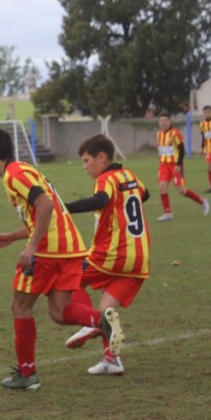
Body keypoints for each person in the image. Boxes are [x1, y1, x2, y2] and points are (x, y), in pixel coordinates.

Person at [0, 129, 124, 391]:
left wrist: (31, 246)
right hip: (70, 248)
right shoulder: (27, 170)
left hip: (46, 251)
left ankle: (27, 374)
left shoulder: (14, 175)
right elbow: (45, 215)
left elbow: (45, 206)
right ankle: (99, 321)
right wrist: (12, 236)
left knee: (19, 306)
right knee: (59, 311)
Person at [63, 135, 150, 376]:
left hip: (112, 254)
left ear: (102, 157)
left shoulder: (106, 179)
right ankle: (112, 360)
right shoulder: (129, 176)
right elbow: (146, 194)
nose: (84, 166)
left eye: (86, 160)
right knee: (106, 309)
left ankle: (88, 324)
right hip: (139, 257)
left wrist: (64, 207)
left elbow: (100, 200)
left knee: (67, 276)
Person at [155, 113, 209, 221]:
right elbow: (161, 149)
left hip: (175, 165)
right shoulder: (159, 134)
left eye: (165, 120)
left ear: (169, 121)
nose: (163, 122)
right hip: (164, 165)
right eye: (161, 120)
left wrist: (179, 164)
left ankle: (203, 201)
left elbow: (182, 149)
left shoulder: (175, 133)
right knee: (162, 188)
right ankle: (168, 213)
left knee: (181, 190)